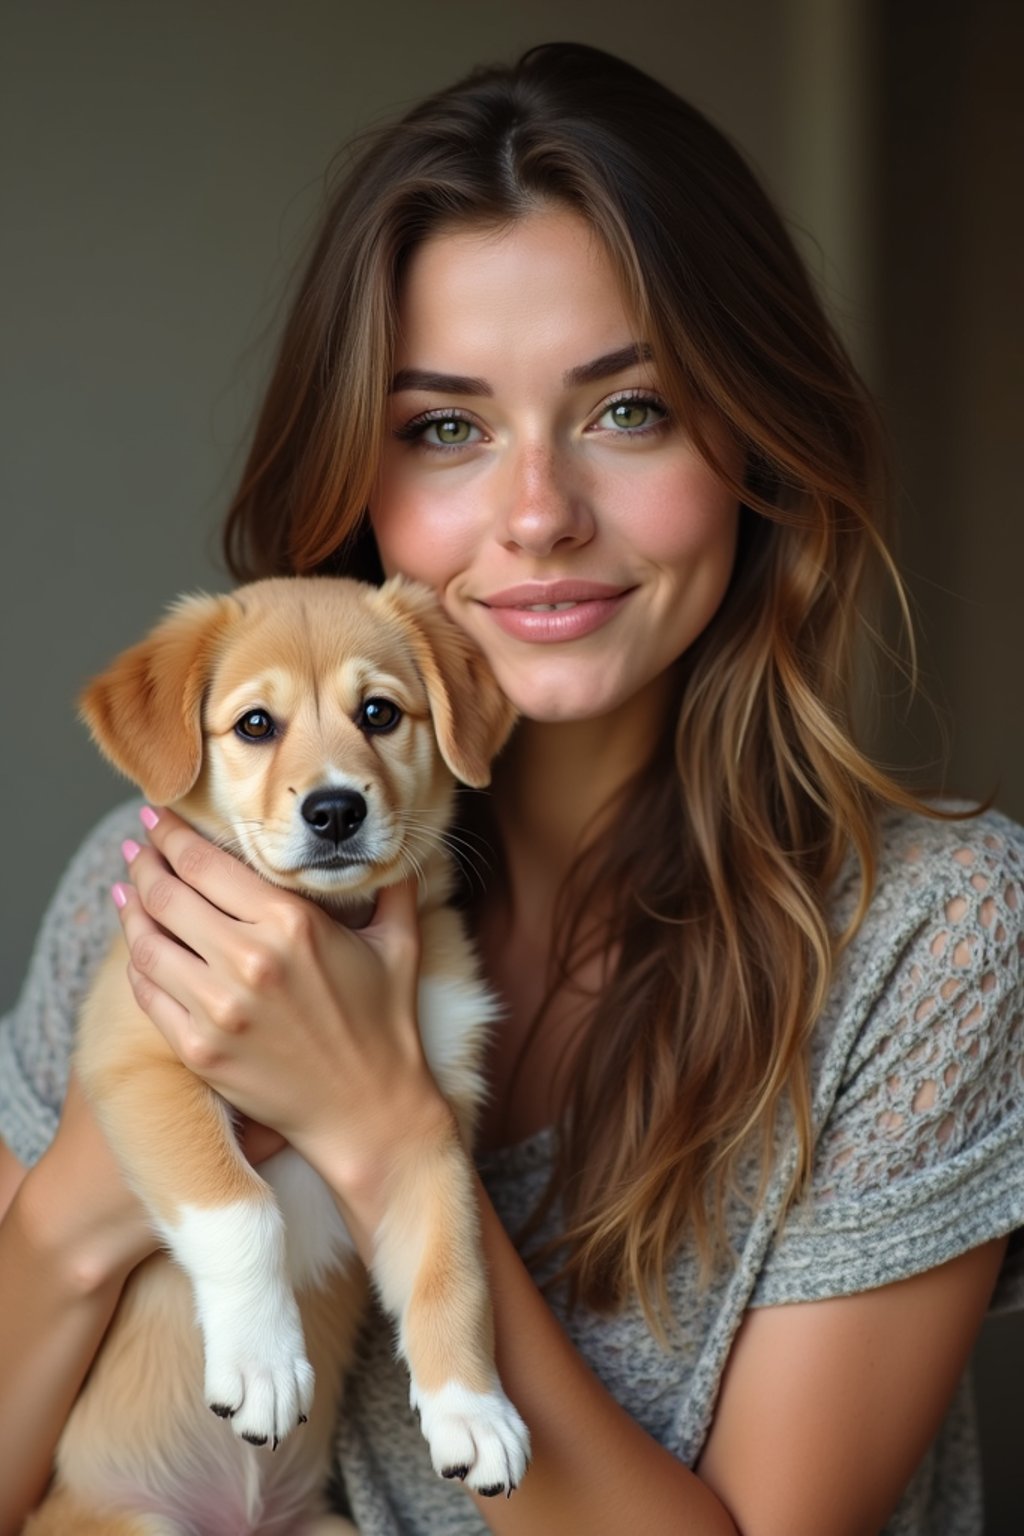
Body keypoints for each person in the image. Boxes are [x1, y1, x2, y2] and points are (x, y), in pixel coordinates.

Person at [1, 40, 1021, 1536]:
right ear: (358, 472)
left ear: (755, 442)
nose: (539, 515)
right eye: (446, 429)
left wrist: (370, 1116)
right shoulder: (159, 880)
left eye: (630, 409)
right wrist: (102, 1190)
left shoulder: (929, 942)